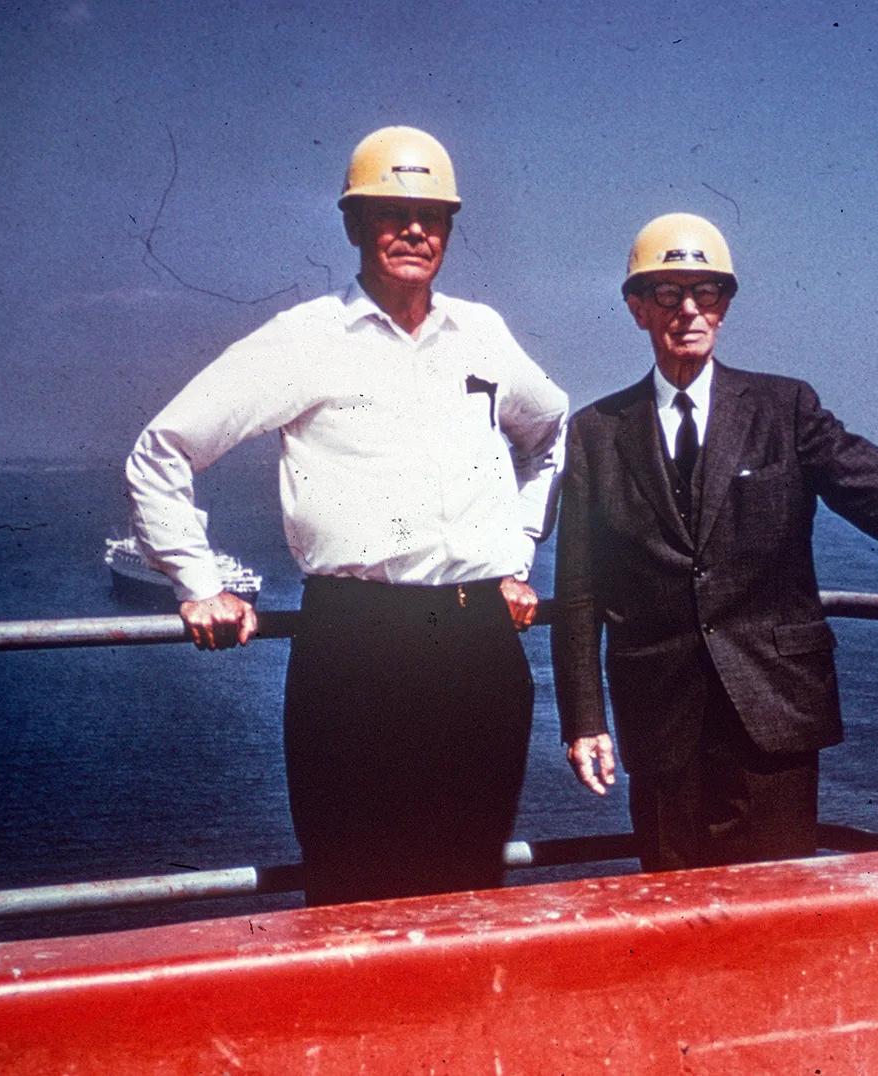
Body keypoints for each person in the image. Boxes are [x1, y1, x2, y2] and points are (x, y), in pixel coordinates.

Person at [125, 127, 568, 905]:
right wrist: (197, 581)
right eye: (389, 211)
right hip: (354, 647)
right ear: (353, 225)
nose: (413, 229)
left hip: (478, 645)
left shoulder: (484, 334)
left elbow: (552, 433)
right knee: (351, 887)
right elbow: (163, 447)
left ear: (451, 230)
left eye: (430, 214)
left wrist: (519, 550)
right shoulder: (306, 339)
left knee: (472, 888)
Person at [551, 213, 878, 871]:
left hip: (773, 715)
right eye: (669, 293)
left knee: (781, 917)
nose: (690, 311)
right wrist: (585, 719)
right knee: (675, 915)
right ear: (638, 308)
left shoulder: (784, 409)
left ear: (726, 307)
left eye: (708, 293)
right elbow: (580, 590)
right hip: (663, 725)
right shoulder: (596, 432)